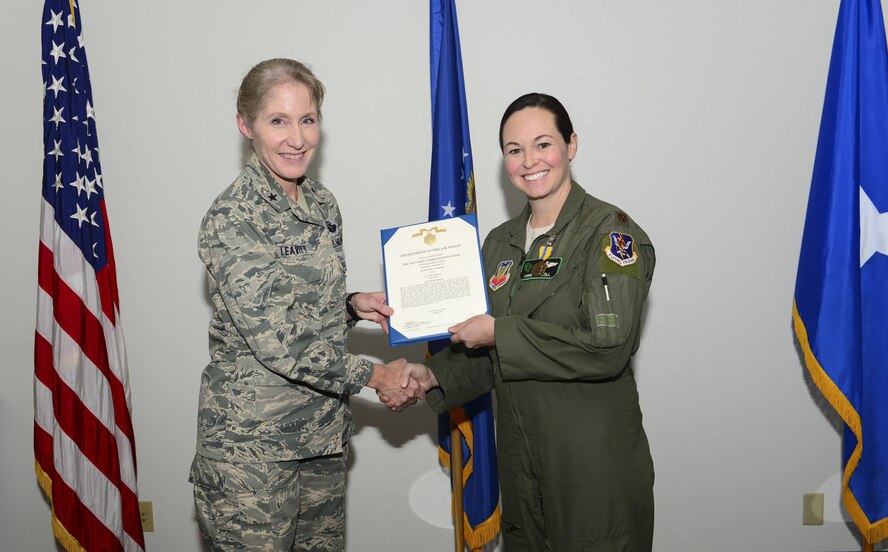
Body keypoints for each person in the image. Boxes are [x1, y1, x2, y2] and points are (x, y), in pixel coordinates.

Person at [384, 93, 656, 551]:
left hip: (591, 468)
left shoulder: (610, 232)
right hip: (521, 463)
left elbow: (607, 346)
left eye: (542, 144)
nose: (529, 161)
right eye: (514, 150)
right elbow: (490, 356)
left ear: (571, 145)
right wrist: (429, 376)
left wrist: (499, 332)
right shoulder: (497, 244)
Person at [189, 58, 421, 552]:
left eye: (308, 119)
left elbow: (300, 309)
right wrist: (376, 376)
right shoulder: (233, 218)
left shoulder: (320, 203)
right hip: (253, 456)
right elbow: (281, 343)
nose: (297, 138)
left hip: (320, 440)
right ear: (245, 125)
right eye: (278, 121)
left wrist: (353, 305)